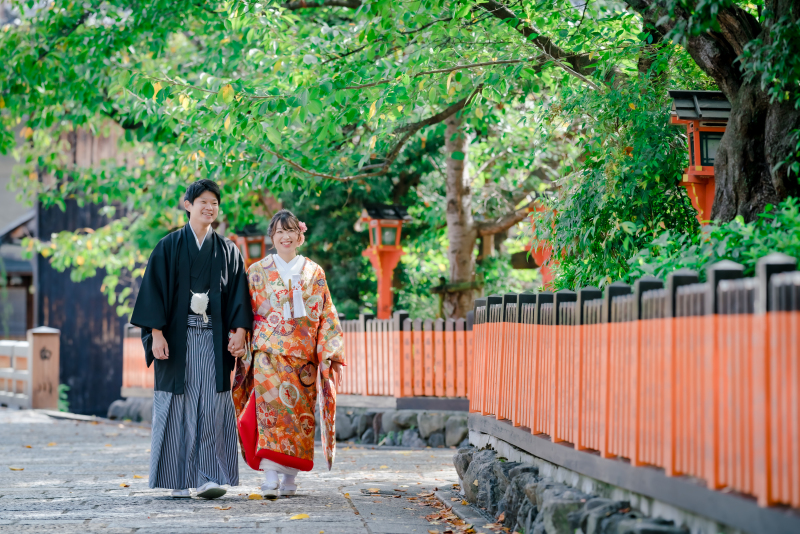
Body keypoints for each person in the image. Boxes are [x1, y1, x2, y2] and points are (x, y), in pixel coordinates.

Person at [130, 179, 253, 499]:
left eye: (214, 202)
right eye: (203, 201)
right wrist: (155, 334)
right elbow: (153, 292)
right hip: (176, 339)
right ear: (188, 205)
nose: (209, 207)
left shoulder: (228, 250)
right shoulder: (168, 246)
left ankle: (209, 477)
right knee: (177, 405)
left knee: (212, 404)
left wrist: (240, 331)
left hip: (212, 339)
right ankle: (177, 479)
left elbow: (239, 295)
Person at [232, 209, 344, 498]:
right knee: (271, 415)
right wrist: (240, 337)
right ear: (272, 237)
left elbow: (326, 315)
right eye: (279, 232)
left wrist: (329, 353)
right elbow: (245, 311)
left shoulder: (314, 272)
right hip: (268, 354)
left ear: (299, 235)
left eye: (290, 230)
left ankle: (290, 478)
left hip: (302, 359)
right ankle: (270, 476)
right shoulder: (256, 272)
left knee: (297, 417)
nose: (285, 236)